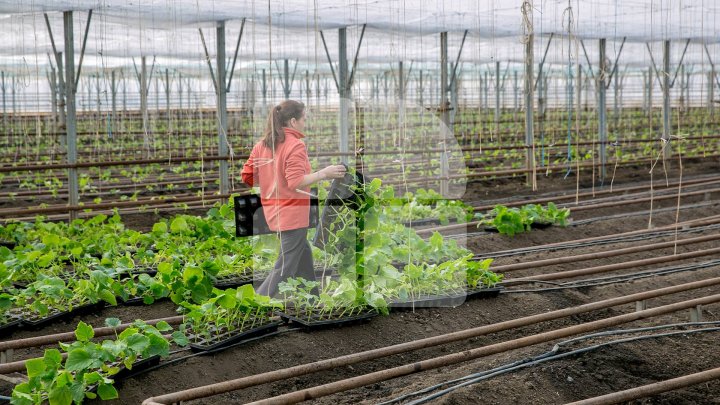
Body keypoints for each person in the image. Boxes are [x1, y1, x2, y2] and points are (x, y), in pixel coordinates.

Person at [241, 100, 346, 297]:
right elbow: (295, 182)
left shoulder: (262, 145)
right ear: (293, 121)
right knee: (284, 268)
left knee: (303, 254)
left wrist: (271, 178)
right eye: (304, 119)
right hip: (292, 214)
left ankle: (312, 300)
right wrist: (324, 173)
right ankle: (255, 304)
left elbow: (247, 176)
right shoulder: (295, 145)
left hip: (273, 211)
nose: (305, 123)